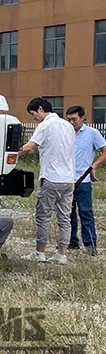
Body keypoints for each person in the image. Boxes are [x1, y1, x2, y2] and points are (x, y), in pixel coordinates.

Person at [19, 98, 76, 264]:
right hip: (68, 179)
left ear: (40, 109)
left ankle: (40, 252)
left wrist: (11, 153)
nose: (34, 118)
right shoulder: (68, 126)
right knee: (64, 217)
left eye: (33, 114)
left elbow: (29, 146)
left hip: (51, 178)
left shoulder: (45, 126)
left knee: (43, 216)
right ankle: (62, 254)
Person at [66, 105, 106, 256]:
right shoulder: (65, 133)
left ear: (82, 118)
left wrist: (94, 165)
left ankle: (90, 244)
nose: (71, 122)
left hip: (83, 180)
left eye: (74, 119)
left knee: (86, 212)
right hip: (66, 179)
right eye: (68, 119)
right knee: (67, 213)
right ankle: (71, 241)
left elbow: (104, 150)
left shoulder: (92, 133)